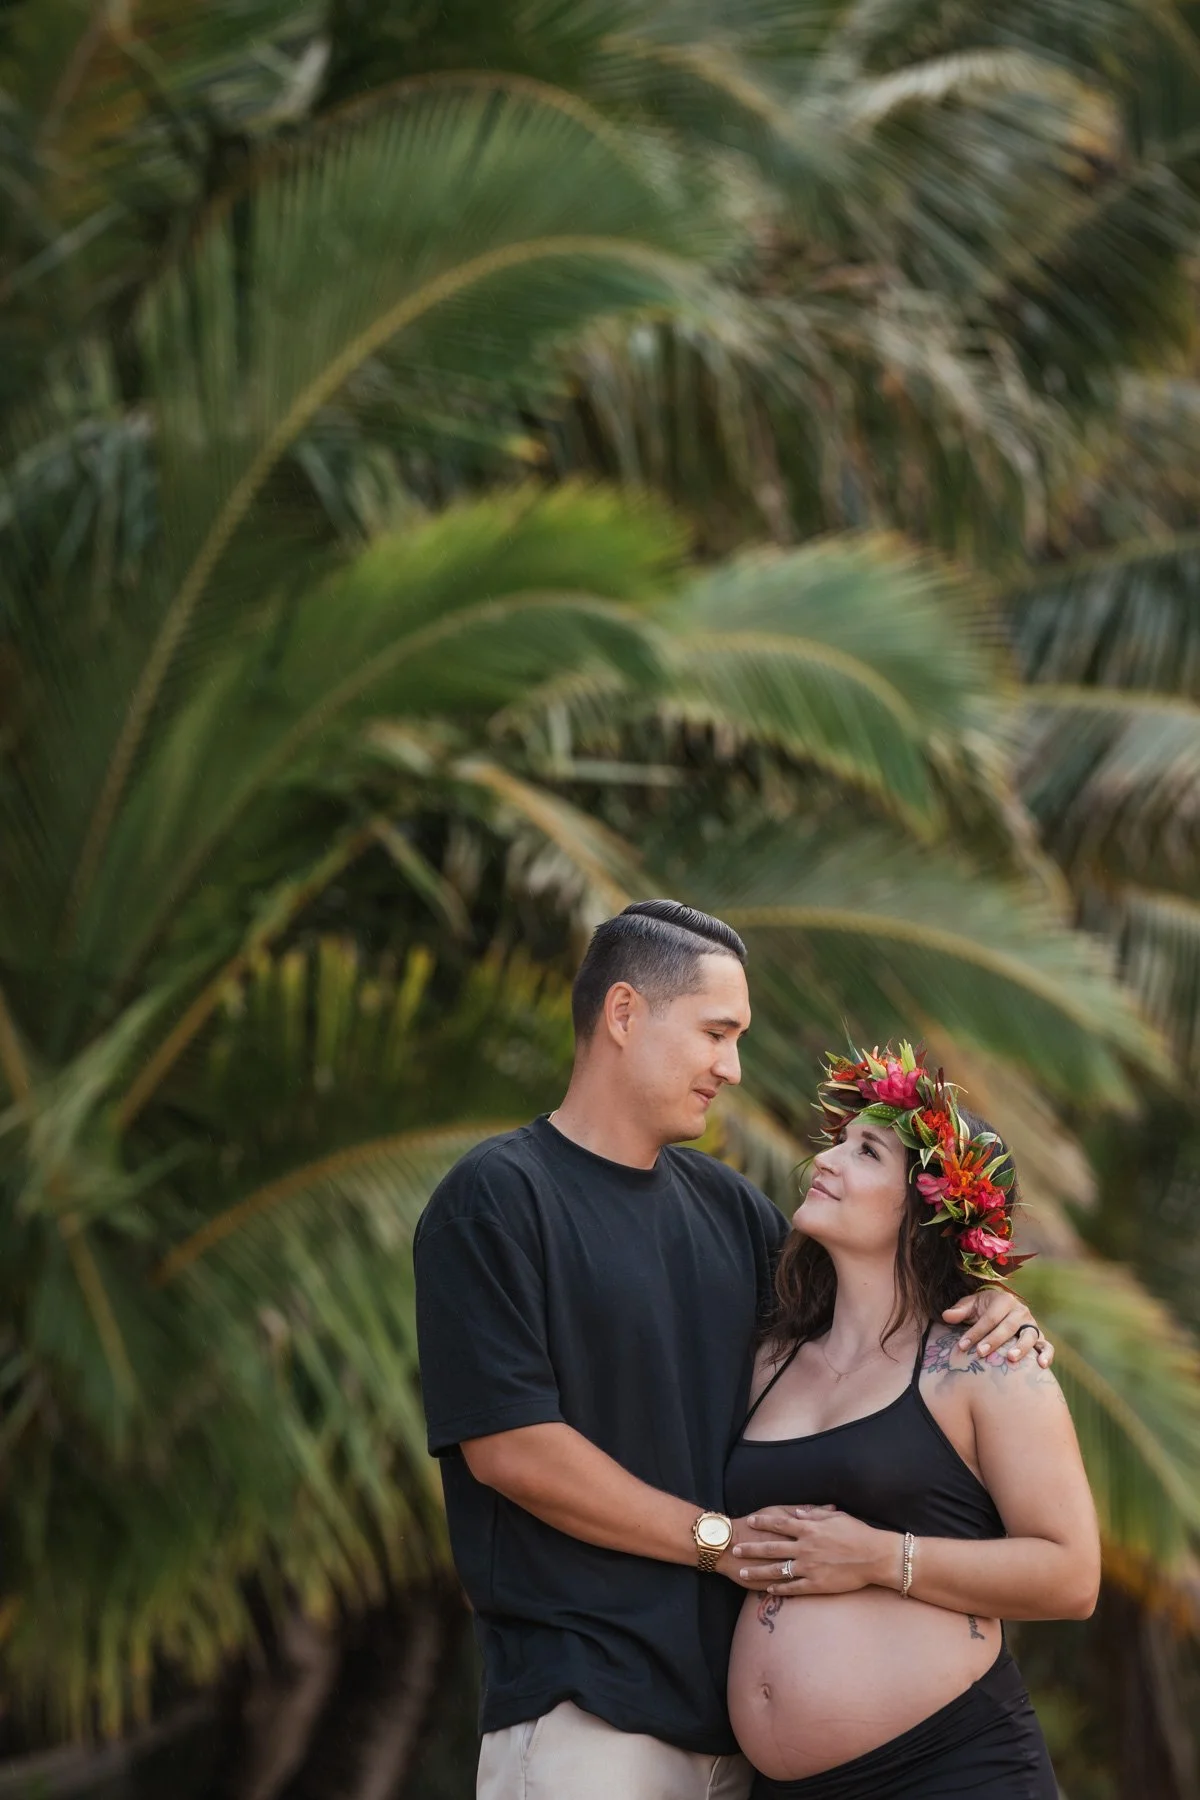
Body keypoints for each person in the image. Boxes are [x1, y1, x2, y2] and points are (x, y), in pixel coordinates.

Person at [413, 902, 1052, 1800]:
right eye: (718, 1033)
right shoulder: (497, 1200)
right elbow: (512, 1450)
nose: (734, 1068)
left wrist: (984, 1299)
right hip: (589, 1712)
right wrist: (717, 1540)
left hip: (738, 1748)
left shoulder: (733, 1211)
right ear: (625, 1015)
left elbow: (871, 1330)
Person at [724, 1044, 1099, 1798]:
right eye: (838, 1142)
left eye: (866, 1153)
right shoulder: (767, 1359)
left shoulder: (983, 1365)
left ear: (927, 1207)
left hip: (956, 1769)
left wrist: (878, 1558)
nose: (827, 1161)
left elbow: (1072, 1575)